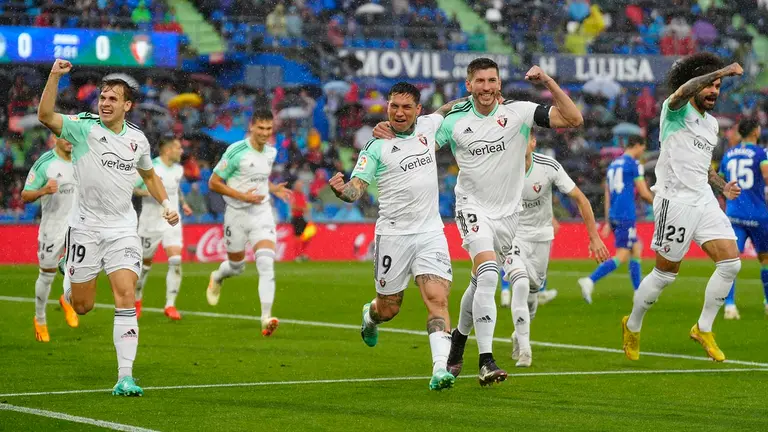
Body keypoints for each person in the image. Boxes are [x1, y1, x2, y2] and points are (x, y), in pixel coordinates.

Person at [373, 59, 589, 386]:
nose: (486, 87)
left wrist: (546, 79)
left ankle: (458, 338)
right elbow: (415, 137)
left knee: (479, 282)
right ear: (468, 85)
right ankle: (486, 361)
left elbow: (573, 118)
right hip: (471, 207)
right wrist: (390, 130)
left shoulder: (520, 112)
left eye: (491, 80)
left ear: (499, 84)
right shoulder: (454, 120)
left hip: (508, 214)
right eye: (480, 81)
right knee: (488, 275)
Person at [37, 60, 179, 396]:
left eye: (112, 98)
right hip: (85, 228)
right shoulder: (82, 128)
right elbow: (45, 116)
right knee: (83, 306)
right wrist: (55, 76)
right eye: (102, 97)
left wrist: (166, 204)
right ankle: (69, 274)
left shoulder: (138, 140)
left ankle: (125, 376)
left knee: (125, 294)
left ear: (127, 105)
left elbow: (149, 176)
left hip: (122, 229)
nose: (104, 102)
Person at [329, 82, 463, 390]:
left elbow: (449, 109)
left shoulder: (429, 127)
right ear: (387, 107)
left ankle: (440, 368)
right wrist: (342, 191)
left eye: (406, 107)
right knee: (389, 308)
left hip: (430, 233)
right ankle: (370, 316)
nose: (399, 113)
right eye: (394, 106)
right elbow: (356, 189)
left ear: (418, 110)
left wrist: (478, 94)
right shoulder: (376, 146)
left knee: (437, 300)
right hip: (393, 236)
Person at [622, 54, 744, 362]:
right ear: (696, 86)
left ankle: (703, 328)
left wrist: (722, 186)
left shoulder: (712, 124)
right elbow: (682, 91)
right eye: (709, 85)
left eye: (717, 86)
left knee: (731, 264)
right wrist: (723, 70)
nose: (714, 91)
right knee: (665, 275)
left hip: (703, 197)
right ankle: (633, 324)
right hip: (674, 199)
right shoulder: (674, 110)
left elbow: (704, 168)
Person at [507, 132, 608, 367]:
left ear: (533, 142)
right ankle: (524, 348)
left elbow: (580, 198)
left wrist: (593, 237)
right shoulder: (500, 167)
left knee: (532, 291)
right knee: (520, 284)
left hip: (542, 237)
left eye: (525, 139)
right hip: (512, 236)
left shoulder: (549, 166)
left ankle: (517, 333)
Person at [206, 109, 292, 337]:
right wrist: (242, 196)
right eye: (261, 128)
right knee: (237, 266)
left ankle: (266, 318)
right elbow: (213, 183)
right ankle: (217, 276)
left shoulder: (271, 152)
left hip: (262, 213)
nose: (265, 133)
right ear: (251, 127)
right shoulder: (236, 151)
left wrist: (273, 189)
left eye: (269, 129)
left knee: (266, 263)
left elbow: (260, 179)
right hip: (236, 214)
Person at [579, 135, 654, 303]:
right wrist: (658, 203)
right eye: (643, 148)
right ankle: (590, 280)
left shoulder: (613, 165)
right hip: (625, 215)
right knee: (622, 255)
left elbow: (607, 194)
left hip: (615, 213)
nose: (643, 152)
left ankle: (638, 292)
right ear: (637, 145)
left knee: (636, 248)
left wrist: (607, 219)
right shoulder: (633, 165)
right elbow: (643, 192)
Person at [21, 136, 79, 342]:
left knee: (84, 267)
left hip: (77, 226)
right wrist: (44, 190)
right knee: (46, 274)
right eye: (65, 137)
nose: (70, 141)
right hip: (52, 228)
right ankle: (40, 319)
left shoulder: (82, 159)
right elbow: (25, 195)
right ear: (54, 138)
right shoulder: (45, 163)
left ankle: (68, 299)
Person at [133, 136, 193, 320]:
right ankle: (136, 299)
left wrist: (183, 203)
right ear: (167, 150)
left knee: (175, 260)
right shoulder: (150, 168)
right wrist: (152, 193)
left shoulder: (178, 169)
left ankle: (170, 305)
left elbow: (175, 188)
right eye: (177, 148)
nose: (181, 151)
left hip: (172, 221)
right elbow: (133, 189)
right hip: (150, 222)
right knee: (144, 267)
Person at [719, 119, 768, 319]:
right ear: (756, 132)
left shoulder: (728, 154)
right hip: (758, 215)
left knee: (731, 261)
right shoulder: (760, 153)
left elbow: (720, 181)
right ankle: (767, 302)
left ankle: (730, 306)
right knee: (765, 260)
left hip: (734, 214)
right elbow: (766, 176)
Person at [289, 178, 311, 262]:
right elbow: (293, 206)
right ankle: (298, 255)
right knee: (297, 237)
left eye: (301, 185)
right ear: (296, 186)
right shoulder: (293, 194)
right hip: (296, 217)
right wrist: (303, 209)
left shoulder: (302, 195)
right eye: (299, 185)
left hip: (302, 217)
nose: (301, 187)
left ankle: (302, 253)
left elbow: (306, 205)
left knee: (308, 234)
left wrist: (306, 209)